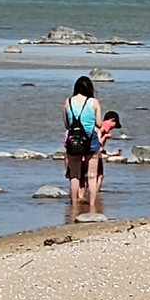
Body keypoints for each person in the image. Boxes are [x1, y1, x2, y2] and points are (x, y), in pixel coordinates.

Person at [63, 75, 102, 209]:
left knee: (74, 175)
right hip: (90, 139)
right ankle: (92, 205)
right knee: (91, 176)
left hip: (74, 140)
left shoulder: (68, 102)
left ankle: (73, 204)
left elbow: (67, 125)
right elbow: (99, 124)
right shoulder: (94, 102)